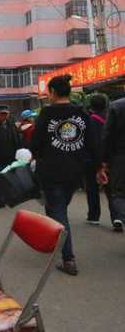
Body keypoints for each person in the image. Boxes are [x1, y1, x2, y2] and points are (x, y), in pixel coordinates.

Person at [31, 75, 97, 276]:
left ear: (52, 92)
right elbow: (92, 143)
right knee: (57, 207)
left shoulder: (47, 113)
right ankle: (54, 242)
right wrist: (97, 167)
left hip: (52, 171)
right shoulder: (83, 113)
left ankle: (68, 259)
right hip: (75, 171)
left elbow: (35, 144)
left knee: (58, 211)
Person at [84, 95, 118, 228]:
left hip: (92, 160)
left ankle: (93, 216)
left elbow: (88, 143)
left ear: (91, 106)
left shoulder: (90, 121)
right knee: (111, 189)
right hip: (109, 160)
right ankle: (116, 217)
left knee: (92, 188)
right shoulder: (110, 118)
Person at [97, 96, 125, 233]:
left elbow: (107, 135)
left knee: (119, 193)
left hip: (120, 158)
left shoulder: (116, 106)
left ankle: (120, 216)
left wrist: (103, 161)